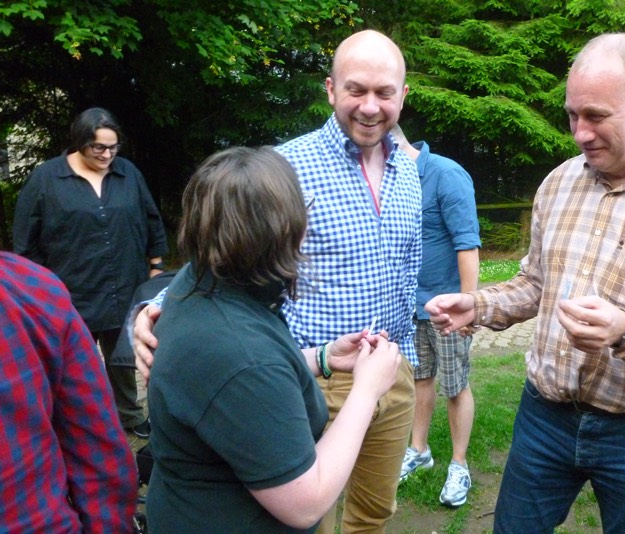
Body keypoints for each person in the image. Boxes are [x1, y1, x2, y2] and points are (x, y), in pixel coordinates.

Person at [425, 33, 625, 533]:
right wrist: (480, 305)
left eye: (596, 116)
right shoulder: (558, 183)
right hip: (544, 416)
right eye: (572, 115)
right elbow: (537, 283)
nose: (580, 133)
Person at [133, 30, 420, 532]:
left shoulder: (409, 169)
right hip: (301, 380)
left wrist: (402, 363)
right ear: (330, 89)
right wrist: (151, 312)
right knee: (310, 513)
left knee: (375, 512)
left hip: (389, 370)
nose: (370, 106)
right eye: (356, 90)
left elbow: (407, 266)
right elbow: (218, 260)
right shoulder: (282, 168)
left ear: (403, 95)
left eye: (384, 92)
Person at [144, 146, 401, 532]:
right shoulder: (241, 355)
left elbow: (238, 388)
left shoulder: (200, 279)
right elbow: (305, 503)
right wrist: (366, 390)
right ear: (279, 232)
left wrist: (323, 357)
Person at [13, 107, 168, 438]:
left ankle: (129, 415)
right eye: (99, 147)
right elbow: (25, 241)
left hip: (123, 284)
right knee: (72, 364)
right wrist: (38, 289)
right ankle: (78, 424)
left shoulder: (128, 173)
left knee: (123, 358)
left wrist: (156, 266)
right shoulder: (46, 179)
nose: (107, 155)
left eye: (113, 147)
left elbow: (151, 219)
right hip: (70, 291)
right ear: (80, 141)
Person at [0, 251, 138, 532]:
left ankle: (132, 412)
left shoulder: (30, 289)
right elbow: (101, 455)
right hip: (71, 289)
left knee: (116, 359)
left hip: (105, 294)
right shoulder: (29, 287)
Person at [391, 125, 481, 507]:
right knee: (420, 379)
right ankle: (419, 450)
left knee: (455, 385)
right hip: (409, 306)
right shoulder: (391, 183)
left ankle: (459, 464)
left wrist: (469, 306)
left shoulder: (446, 174)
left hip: (447, 309)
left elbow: (467, 244)